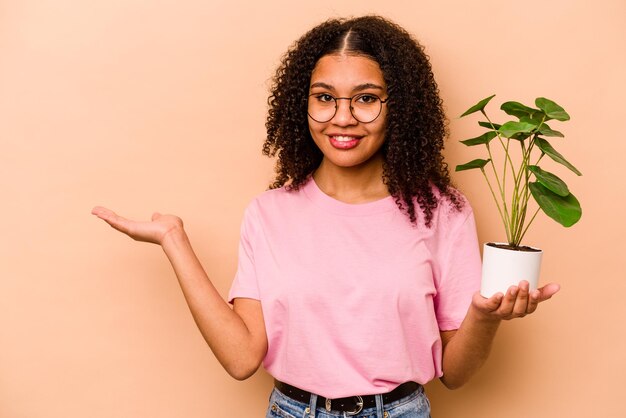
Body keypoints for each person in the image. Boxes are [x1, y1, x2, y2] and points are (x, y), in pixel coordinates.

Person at [92, 15, 560, 418]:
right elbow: (241, 359)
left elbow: (456, 376)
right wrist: (174, 240)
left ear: (401, 108)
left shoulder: (442, 212)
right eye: (324, 97)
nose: (342, 118)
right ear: (304, 105)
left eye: (366, 98)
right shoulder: (269, 213)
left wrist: (484, 317)